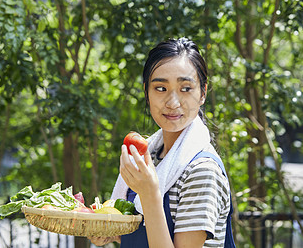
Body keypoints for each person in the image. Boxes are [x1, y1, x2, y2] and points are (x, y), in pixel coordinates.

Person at [90, 38, 235, 247]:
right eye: (160, 88)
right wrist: (114, 233)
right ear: (146, 93)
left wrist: (150, 195)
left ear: (203, 93)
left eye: (186, 88)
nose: (173, 102)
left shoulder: (202, 171)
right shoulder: (152, 158)